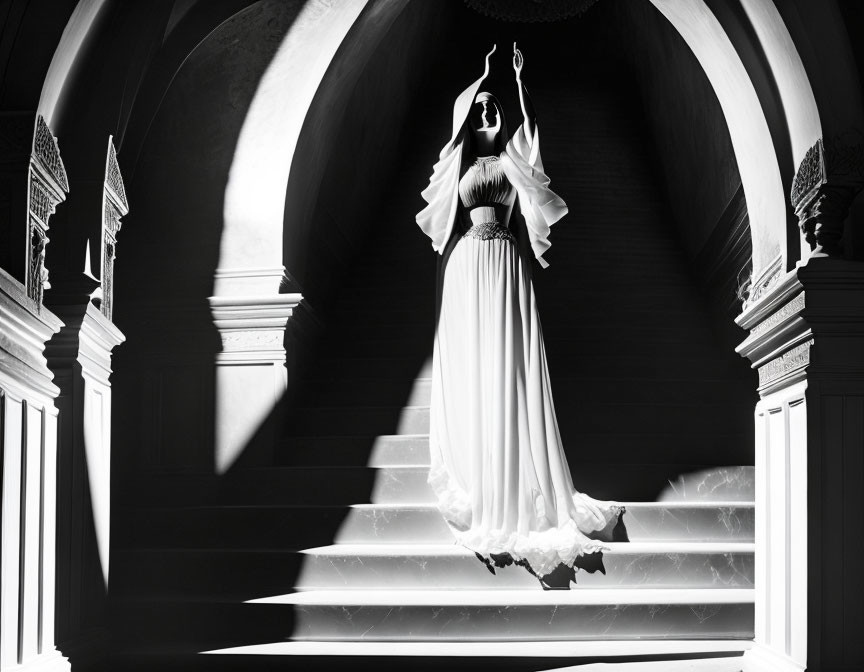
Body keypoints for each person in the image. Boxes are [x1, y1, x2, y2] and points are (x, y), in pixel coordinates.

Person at [416, 44, 623, 581]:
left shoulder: (512, 158)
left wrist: (516, 84)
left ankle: (519, 476)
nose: (488, 113)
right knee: (477, 364)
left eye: (494, 108)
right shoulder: (456, 162)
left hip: (505, 258)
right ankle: (480, 460)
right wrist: (479, 80)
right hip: (467, 265)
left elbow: (533, 148)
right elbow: (442, 212)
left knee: (510, 364)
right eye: (480, 107)